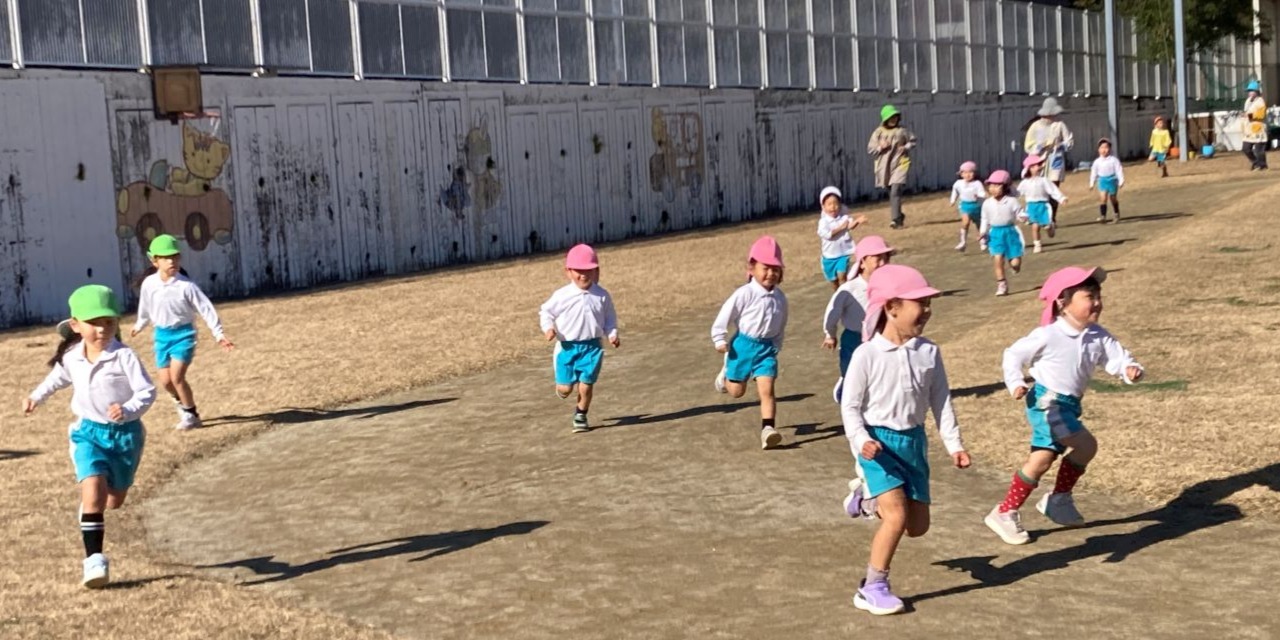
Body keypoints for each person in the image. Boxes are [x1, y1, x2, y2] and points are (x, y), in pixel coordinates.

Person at [839, 265, 970, 615]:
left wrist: (954, 445)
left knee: (917, 527)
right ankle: (873, 586)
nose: (927, 311)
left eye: (929, 304)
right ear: (892, 307)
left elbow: (941, 401)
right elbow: (849, 407)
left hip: (914, 444)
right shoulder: (866, 355)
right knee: (896, 516)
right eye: (920, 303)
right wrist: (861, 440)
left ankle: (866, 501)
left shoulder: (929, 352)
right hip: (877, 446)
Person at [985, 266, 1143, 545]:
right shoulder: (1048, 334)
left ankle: (1007, 511)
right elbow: (1013, 354)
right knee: (1086, 445)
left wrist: (1130, 369)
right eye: (1089, 296)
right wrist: (1015, 382)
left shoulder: (1098, 335)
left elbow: (1118, 359)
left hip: (1069, 405)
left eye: (1098, 296)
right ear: (1062, 302)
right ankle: (1058, 498)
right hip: (1047, 403)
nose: (1097, 302)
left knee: (1041, 460)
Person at [23, 285, 156, 588]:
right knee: (93, 490)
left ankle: (91, 509)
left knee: (114, 500)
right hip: (88, 434)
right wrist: (35, 397)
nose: (102, 329)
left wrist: (128, 409)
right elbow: (57, 378)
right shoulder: (72, 357)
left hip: (125, 437)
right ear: (75, 325)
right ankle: (94, 561)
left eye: (108, 322)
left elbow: (147, 392)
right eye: (94, 322)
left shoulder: (124, 356)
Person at [130, 234, 233, 430]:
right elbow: (145, 307)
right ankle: (182, 405)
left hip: (184, 335)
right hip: (161, 336)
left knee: (176, 377)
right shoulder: (149, 284)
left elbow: (206, 309)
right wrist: (139, 324)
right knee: (166, 382)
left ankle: (191, 415)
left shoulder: (186, 286)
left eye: (175, 257)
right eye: (166, 258)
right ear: (154, 261)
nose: (172, 261)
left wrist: (219, 334)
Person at [712, 236, 788, 450]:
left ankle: (768, 429)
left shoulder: (780, 298)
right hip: (742, 347)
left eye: (775, 269)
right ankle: (725, 375)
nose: (771, 273)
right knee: (737, 392)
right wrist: (719, 338)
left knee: (767, 389)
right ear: (752, 268)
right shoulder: (744, 294)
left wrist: (777, 345)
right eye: (766, 268)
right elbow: (725, 316)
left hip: (766, 349)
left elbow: (781, 323)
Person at [539, 243, 620, 433]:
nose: (583, 275)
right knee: (566, 389)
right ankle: (564, 386)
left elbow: (610, 318)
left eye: (588, 270)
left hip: (592, 347)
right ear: (568, 272)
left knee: (586, 385)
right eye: (578, 270)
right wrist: (548, 328)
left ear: (596, 271)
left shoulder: (602, 295)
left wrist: (612, 334)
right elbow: (546, 312)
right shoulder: (562, 295)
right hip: (567, 348)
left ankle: (581, 415)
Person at [822, 235, 895, 403]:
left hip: (879, 337)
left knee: (877, 373)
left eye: (886, 258)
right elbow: (832, 313)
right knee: (852, 372)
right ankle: (845, 387)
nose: (883, 263)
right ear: (862, 262)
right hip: (853, 338)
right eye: (877, 258)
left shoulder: (889, 286)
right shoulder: (849, 289)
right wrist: (830, 334)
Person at [1024, 97, 1075, 225]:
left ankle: (1051, 218)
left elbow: (1069, 141)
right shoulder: (1035, 126)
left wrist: (1060, 146)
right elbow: (1027, 146)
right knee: (1038, 189)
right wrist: (1039, 147)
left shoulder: (1060, 125)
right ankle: (1036, 216)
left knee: (1053, 188)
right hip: (1038, 161)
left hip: (1055, 160)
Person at [868, 105, 918, 229]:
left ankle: (895, 220)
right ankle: (899, 215)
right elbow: (870, 149)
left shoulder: (902, 131)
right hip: (884, 167)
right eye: (890, 117)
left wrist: (905, 147)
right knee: (891, 192)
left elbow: (913, 141)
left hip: (900, 164)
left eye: (895, 117)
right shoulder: (878, 132)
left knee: (896, 190)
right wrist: (880, 147)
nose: (893, 120)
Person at [978, 170, 1024, 296]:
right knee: (997, 258)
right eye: (991, 185)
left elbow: (1019, 213)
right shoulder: (987, 203)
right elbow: (985, 219)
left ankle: (1015, 266)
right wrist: (983, 233)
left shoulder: (1012, 201)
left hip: (1011, 233)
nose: (993, 188)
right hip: (995, 234)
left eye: (997, 185)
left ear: (1005, 187)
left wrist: (1023, 217)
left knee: (1015, 263)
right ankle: (1001, 284)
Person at [816, 186, 868, 290]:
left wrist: (857, 221)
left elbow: (850, 226)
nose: (833, 207)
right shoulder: (823, 222)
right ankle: (837, 294)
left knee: (842, 276)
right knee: (834, 281)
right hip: (829, 256)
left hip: (842, 254)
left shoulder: (844, 217)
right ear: (823, 207)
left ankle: (845, 293)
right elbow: (827, 235)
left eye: (835, 203)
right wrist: (841, 228)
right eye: (829, 204)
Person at [1017, 154, 1068, 254]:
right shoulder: (1025, 182)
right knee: (1035, 226)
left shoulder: (1044, 180)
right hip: (1031, 206)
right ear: (1030, 168)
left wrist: (1061, 198)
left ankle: (1050, 227)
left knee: (1046, 225)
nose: (1039, 167)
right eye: (1037, 165)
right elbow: (1017, 193)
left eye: (1040, 165)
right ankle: (1037, 245)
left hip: (1043, 206)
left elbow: (1053, 190)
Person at [950, 161, 986, 252]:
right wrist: (953, 200)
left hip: (977, 206)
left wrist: (979, 196)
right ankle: (963, 242)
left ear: (974, 173)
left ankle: (983, 241)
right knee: (965, 223)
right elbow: (955, 191)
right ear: (961, 174)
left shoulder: (977, 183)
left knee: (979, 225)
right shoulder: (958, 183)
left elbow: (982, 193)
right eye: (965, 172)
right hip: (965, 206)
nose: (968, 175)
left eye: (970, 172)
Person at [1089, 138, 1125, 223]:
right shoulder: (1097, 162)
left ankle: (1116, 213)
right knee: (1103, 198)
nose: (1104, 150)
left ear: (1110, 149)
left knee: (1113, 198)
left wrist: (1121, 180)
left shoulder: (1114, 160)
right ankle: (1103, 216)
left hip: (1112, 180)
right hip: (1102, 180)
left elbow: (1119, 170)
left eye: (1106, 147)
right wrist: (1091, 182)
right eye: (1102, 147)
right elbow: (1094, 172)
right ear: (1098, 150)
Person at [1242, 80, 1269, 171]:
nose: (1250, 93)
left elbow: (1261, 115)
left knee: (1259, 150)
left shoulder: (1261, 102)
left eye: (1252, 91)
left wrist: (1248, 116)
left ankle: (1262, 165)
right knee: (1246, 148)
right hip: (1249, 129)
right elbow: (1246, 112)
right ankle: (1256, 163)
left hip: (1259, 129)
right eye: (1249, 91)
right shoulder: (1248, 101)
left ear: (1257, 91)